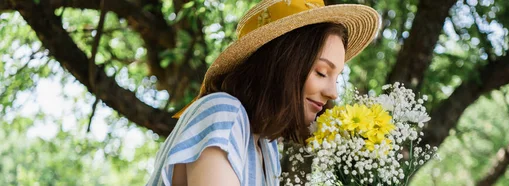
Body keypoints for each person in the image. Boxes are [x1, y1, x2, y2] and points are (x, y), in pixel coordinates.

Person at [147, 0, 379, 185]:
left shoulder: (265, 149)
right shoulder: (223, 114)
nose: (333, 93)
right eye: (321, 72)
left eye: (336, 78)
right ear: (281, 64)